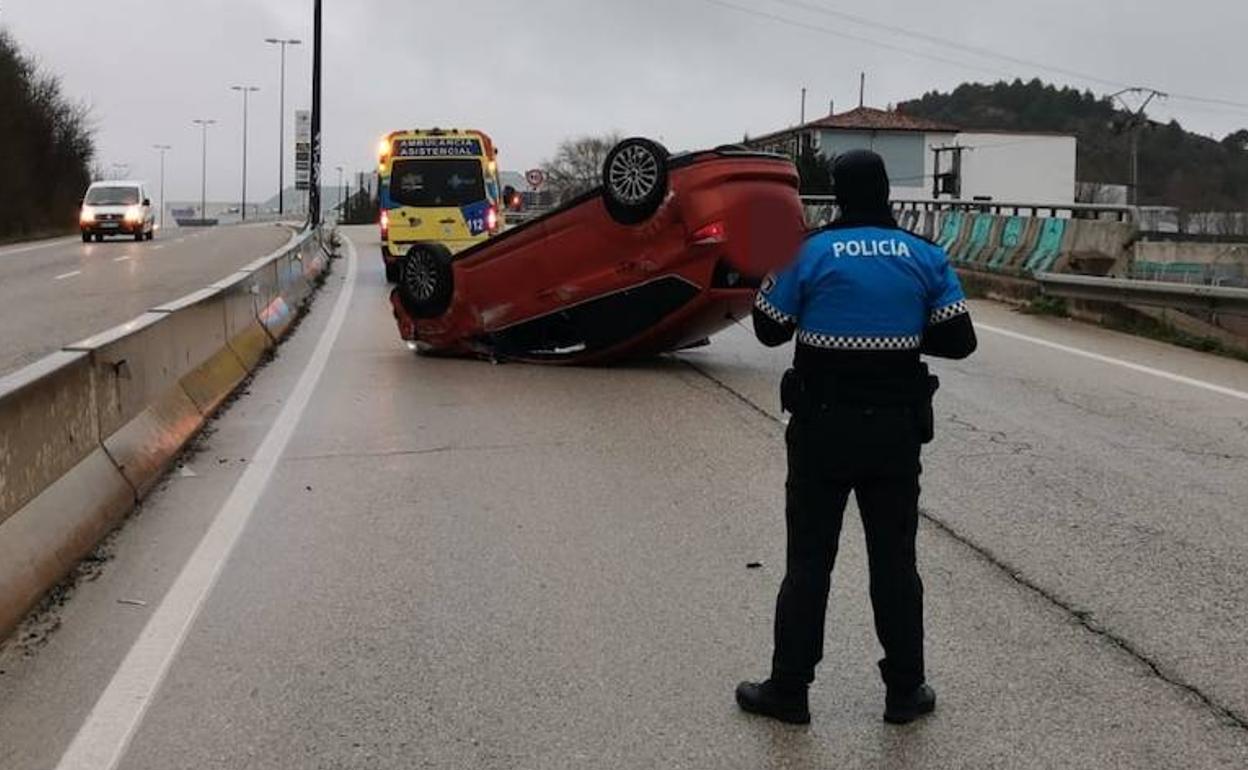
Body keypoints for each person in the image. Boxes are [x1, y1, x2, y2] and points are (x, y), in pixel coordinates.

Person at [736, 150, 977, 726]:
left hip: (822, 429)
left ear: (838, 192)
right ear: (886, 189)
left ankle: (789, 690)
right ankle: (905, 691)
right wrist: (901, 323)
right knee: (895, 561)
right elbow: (960, 340)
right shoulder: (925, 256)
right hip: (895, 434)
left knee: (809, 561)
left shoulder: (809, 252)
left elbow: (769, 330)